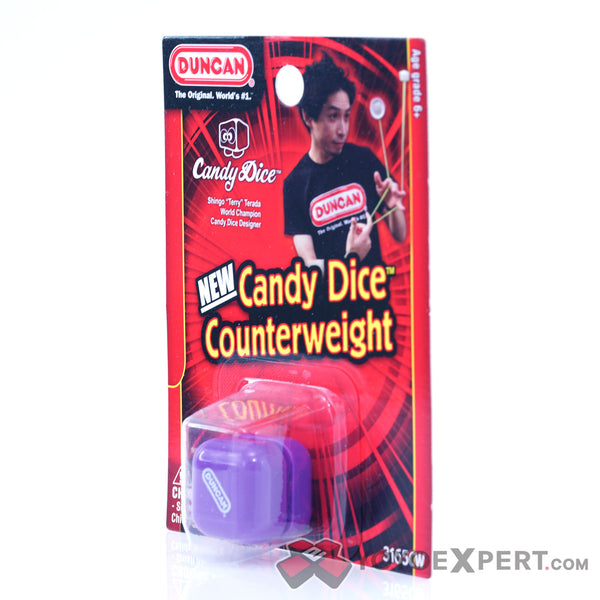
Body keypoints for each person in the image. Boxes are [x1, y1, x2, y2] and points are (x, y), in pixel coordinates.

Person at [283, 54, 407, 271]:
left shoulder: (364, 160)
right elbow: (310, 268)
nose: (343, 130)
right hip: (333, 294)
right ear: (308, 117)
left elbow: (400, 234)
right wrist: (352, 258)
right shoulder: (294, 184)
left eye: (346, 116)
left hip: (375, 291)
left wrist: (392, 206)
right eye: (333, 116)